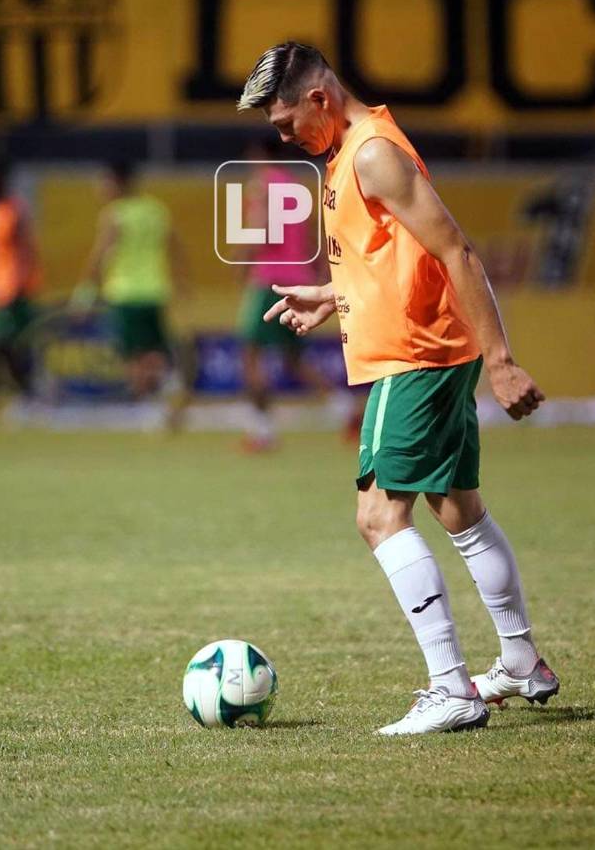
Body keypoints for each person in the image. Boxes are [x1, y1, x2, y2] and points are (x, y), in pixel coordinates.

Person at [238, 42, 558, 736]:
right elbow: (392, 258)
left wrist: (501, 360)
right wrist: (330, 295)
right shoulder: (349, 151)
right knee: (457, 512)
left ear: (319, 98)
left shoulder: (372, 153)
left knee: (378, 518)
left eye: (288, 121)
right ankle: (519, 661)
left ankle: (451, 689)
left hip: (412, 359)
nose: (285, 136)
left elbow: (455, 252)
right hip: (426, 353)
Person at [238, 138, 350, 451]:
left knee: (249, 353)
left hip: (269, 280)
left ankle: (262, 433)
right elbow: (313, 234)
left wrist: (242, 260)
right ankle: (345, 410)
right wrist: (319, 274)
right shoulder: (297, 187)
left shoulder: (261, 186)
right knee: (292, 361)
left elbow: (261, 228)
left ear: (260, 156)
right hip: (298, 280)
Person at [74, 162, 186, 400]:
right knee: (153, 349)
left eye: (104, 182)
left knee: (133, 354)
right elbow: (175, 247)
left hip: (126, 292)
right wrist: (181, 281)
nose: (100, 188)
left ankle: (145, 400)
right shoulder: (156, 210)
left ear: (118, 182)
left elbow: (100, 255)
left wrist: (84, 295)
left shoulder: (115, 214)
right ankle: (166, 388)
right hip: (155, 291)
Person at [0, 161, 41, 395]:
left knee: (9, 341)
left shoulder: (14, 210)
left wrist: (22, 279)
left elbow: (26, 248)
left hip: (14, 286)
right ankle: (17, 387)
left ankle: (24, 389)